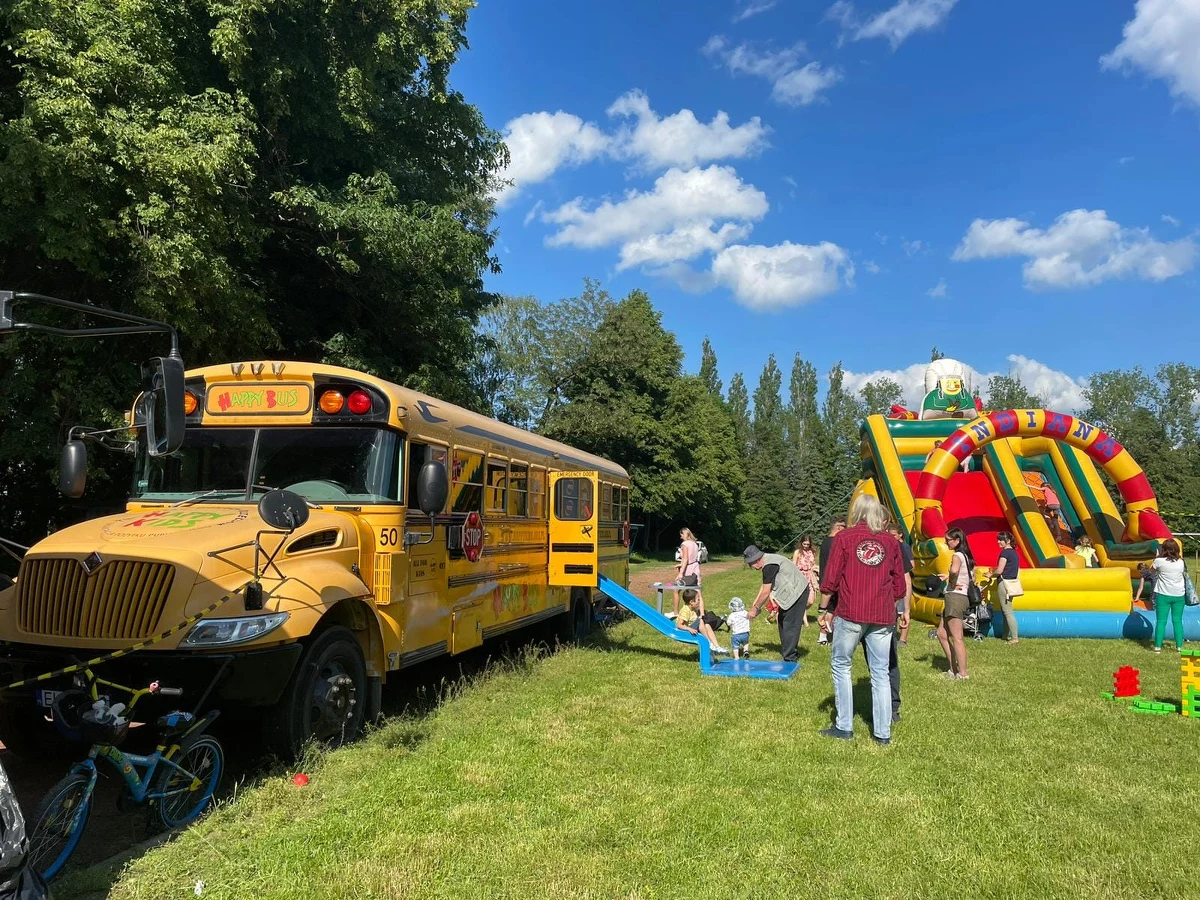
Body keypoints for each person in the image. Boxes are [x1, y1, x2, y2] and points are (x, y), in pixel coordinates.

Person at [816, 495, 907, 745]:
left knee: (841, 665)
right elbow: (899, 585)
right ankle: (882, 733)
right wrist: (894, 606)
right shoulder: (891, 541)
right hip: (882, 616)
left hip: (851, 612)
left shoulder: (844, 538)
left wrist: (823, 609)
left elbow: (830, 579)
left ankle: (844, 726)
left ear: (856, 513)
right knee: (880, 673)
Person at [744, 545, 810, 663]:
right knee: (782, 621)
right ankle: (787, 651)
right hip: (793, 591)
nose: (751, 567)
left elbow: (766, 592)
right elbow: (764, 587)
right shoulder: (769, 561)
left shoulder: (769, 565)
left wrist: (755, 609)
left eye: (750, 564)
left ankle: (790, 658)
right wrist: (755, 605)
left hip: (798, 591)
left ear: (756, 560)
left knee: (790, 624)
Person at [936, 527, 974, 678]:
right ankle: (953, 669)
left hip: (955, 597)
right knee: (941, 633)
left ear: (957, 540)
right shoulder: (966, 556)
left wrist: (951, 580)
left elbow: (954, 571)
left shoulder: (957, 556)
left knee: (957, 637)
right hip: (960, 596)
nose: (946, 543)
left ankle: (963, 674)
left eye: (948, 540)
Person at [1151, 539, 1187, 654]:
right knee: (1177, 621)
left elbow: (1151, 571)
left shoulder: (1159, 561)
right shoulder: (1181, 562)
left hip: (1163, 595)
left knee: (1161, 621)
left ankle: (1157, 647)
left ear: (1163, 549)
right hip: (1179, 595)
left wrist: (1156, 557)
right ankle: (1179, 647)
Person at [817, 517, 846, 646]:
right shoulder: (835, 542)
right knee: (830, 610)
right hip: (832, 581)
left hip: (825, 579)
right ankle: (823, 637)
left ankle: (825, 636)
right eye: (844, 527)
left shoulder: (825, 541)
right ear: (839, 527)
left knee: (830, 609)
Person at [989, 532, 1021, 644]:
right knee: (1005, 611)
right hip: (1011, 583)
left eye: (1000, 540)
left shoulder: (1005, 553)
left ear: (1007, 541)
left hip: (1004, 583)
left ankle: (1015, 638)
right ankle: (1005, 635)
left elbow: (999, 570)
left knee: (1008, 612)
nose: (998, 542)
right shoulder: (1014, 553)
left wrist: (990, 575)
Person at [887, 522, 914, 646]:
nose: (891, 537)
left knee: (902, 611)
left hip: (901, 583)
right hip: (897, 584)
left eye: (893, 535)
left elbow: (911, 565)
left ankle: (902, 639)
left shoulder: (904, 547)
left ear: (900, 535)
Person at [671, 527, 703, 618]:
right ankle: (701, 614)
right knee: (697, 592)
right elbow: (691, 559)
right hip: (695, 569)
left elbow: (685, 559)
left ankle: (676, 613)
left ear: (685, 534)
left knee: (676, 589)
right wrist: (680, 564)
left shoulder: (684, 544)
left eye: (681, 534)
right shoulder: (694, 544)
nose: (680, 537)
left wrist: (680, 573)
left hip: (688, 571)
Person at [792, 536, 818, 627]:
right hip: (801, 577)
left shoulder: (812, 552)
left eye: (808, 544)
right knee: (803, 598)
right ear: (801, 543)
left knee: (811, 601)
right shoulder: (797, 552)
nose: (806, 546)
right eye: (804, 544)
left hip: (810, 577)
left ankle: (798, 610)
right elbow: (793, 566)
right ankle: (805, 622)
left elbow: (813, 564)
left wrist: (816, 570)